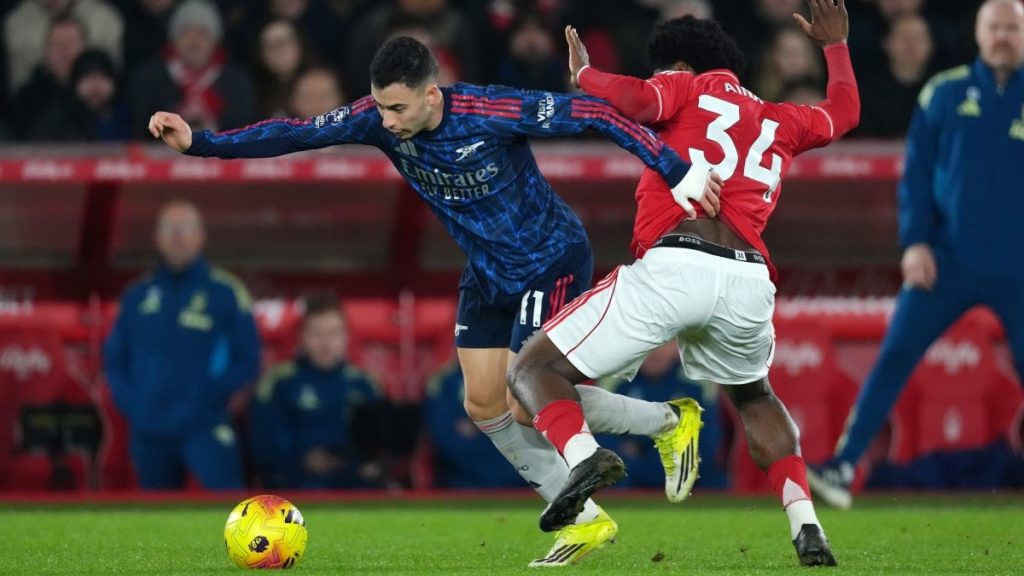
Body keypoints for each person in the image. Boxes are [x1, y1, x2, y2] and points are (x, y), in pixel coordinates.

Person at [147, 35, 720, 567]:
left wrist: (676, 171)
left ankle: (667, 423)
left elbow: (596, 113)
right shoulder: (377, 120)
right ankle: (587, 518)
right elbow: (294, 133)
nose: (386, 121)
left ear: (430, 94)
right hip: (488, 272)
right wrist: (201, 144)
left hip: (551, 260)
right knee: (484, 406)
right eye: (380, 107)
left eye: (397, 108)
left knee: (526, 398)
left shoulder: (490, 109)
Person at [508, 0, 859, 567]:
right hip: (748, 279)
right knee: (754, 396)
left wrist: (585, 74)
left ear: (678, 64)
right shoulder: (781, 117)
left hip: (676, 263)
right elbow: (844, 112)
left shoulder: (684, 86)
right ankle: (807, 524)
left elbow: (639, 100)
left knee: (532, 370)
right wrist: (836, 47)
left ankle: (584, 457)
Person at [808, 0, 1024, 510]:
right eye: (994, 27)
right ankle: (844, 465)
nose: (1002, 36)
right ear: (978, 33)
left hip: (1018, 267)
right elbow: (916, 176)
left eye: (1012, 28)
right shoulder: (944, 92)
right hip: (944, 261)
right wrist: (915, 243)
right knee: (895, 356)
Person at [103, 200, 261, 490]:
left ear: (201, 236)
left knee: (228, 505)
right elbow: (115, 359)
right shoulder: (137, 295)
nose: (177, 236)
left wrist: (208, 397)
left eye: (186, 228)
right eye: (169, 228)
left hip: (204, 424)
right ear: (156, 237)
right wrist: (135, 404)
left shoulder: (225, 292)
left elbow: (247, 358)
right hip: (149, 428)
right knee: (156, 515)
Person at [250, 295, 383, 489]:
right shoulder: (279, 382)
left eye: (333, 333)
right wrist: (301, 460)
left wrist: (359, 464)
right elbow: (263, 445)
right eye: (317, 333)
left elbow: (380, 447)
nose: (325, 342)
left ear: (346, 336)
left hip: (354, 485)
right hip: (296, 484)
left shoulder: (364, 384)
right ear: (301, 336)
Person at [128, 0, 255, 138]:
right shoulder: (150, 79)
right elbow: (140, 129)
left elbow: (244, 129)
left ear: (215, 41)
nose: (194, 42)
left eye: (203, 33)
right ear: (173, 39)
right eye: (185, 33)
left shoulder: (235, 81)